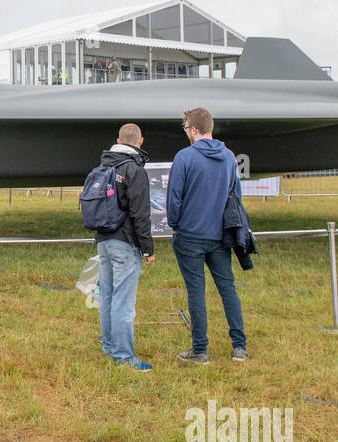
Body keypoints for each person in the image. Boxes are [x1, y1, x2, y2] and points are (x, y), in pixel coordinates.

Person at [166, 107, 248, 364]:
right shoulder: (229, 157)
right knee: (228, 289)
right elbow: (236, 196)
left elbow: (174, 198)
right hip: (219, 235)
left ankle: (200, 350)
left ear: (193, 129)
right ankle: (239, 347)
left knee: (196, 292)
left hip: (189, 234)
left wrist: (175, 224)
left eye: (186, 129)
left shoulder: (184, 157)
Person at [93, 122, 156, 371]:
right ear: (140, 142)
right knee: (123, 301)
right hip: (125, 243)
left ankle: (109, 346)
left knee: (107, 296)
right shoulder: (134, 170)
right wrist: (148, 248)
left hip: (103, 241)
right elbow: (141, 214)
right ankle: (124, 356)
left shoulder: (103, 165)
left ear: (118, 141)